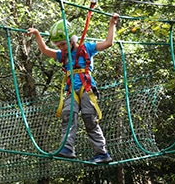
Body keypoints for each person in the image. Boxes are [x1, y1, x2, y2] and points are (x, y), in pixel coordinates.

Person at [26, 13, 119, 163]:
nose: (61, 48)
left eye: (63, 44)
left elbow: (108, 43)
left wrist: (112, 25)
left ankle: (101, 153)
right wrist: (37, 33)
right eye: (59, 45)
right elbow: (45, 50)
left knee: (89, 119)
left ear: (72, 40)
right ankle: (67, 148)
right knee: (67, 116)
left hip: (87, 88)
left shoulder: (86, 48)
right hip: (71, 91)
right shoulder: (62, 55)